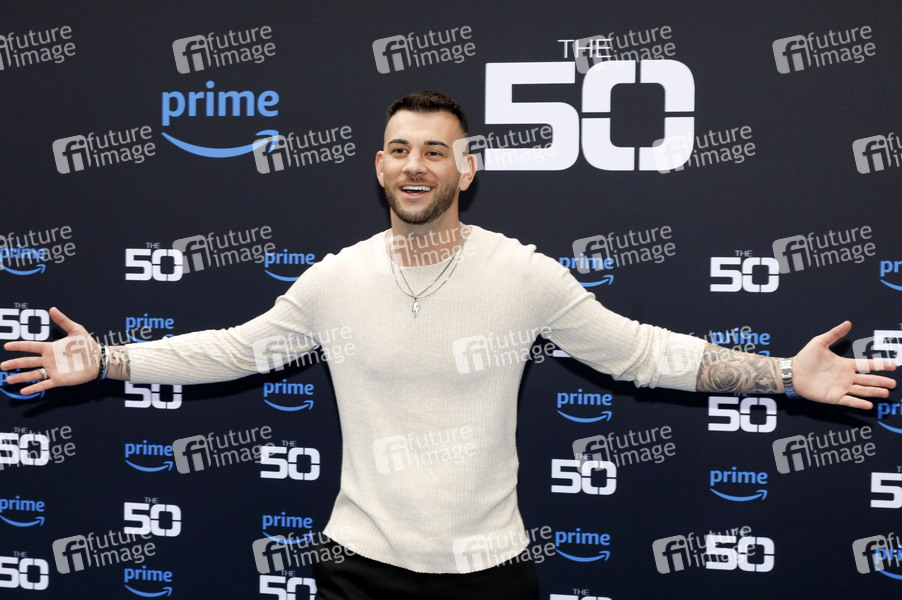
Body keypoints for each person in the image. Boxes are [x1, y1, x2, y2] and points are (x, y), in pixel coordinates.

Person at [2, 91, 896, 600]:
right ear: (379, 167)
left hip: (489, 574)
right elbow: (235, 351)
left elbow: (640, 353)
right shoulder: (336, 279)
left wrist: (784, 374)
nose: (415, 165)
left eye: (435, 150)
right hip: (355, 569)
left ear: (467, 168)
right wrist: (109, 359)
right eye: (399, 149)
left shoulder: (523, 275)